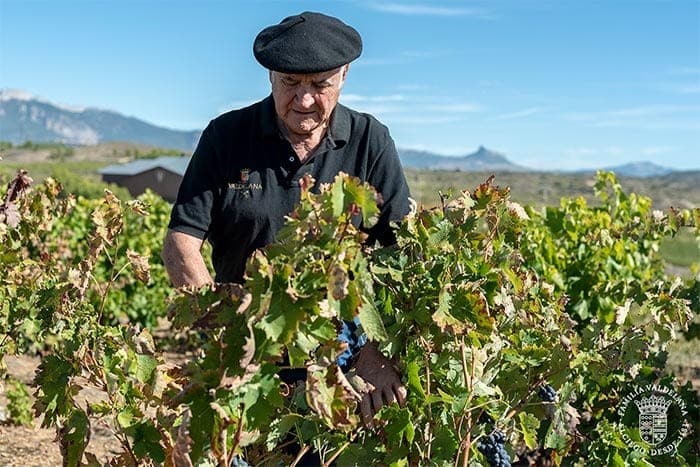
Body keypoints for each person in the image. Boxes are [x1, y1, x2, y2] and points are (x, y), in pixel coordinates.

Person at [161, 11, 410, 432]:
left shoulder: (371, 141)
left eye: (320, 84)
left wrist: (375, 352)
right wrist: (228, 338)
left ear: (345, 75)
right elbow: (181, 241)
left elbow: (400, 255)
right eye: (290, 83)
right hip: (245, 349)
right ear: (270, 78)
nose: (305, 99)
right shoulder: (226, 136)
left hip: (343, 358)